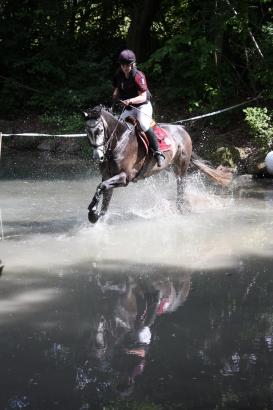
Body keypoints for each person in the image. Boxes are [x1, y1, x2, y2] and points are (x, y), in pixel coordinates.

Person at [112, 49, 165, 167]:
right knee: (118, 125)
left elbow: (143, 97)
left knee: (144, 124)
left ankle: (158, 152)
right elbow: (116, 90)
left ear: (132, 64)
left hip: (143, 106)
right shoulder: (118, 75)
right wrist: (115, 98)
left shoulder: (138, 76)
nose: (125, 68)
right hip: (129, 107)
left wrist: (130, 100)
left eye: (127, 65)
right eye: (123, 65)